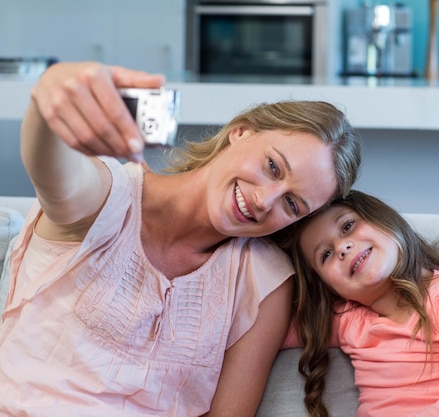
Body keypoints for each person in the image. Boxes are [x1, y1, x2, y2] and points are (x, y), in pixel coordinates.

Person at [0, 61, 361, 417]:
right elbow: (53, 175)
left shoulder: (264, 281)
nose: (264, 200)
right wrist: (49, 107)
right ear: (241, 132)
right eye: (272, 167)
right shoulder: (108, 197)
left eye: (292, 203)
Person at [278, 190, 439, 417]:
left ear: (382, 218)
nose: (342, 247)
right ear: (328, 288)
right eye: (325, 255)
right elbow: (258, 328)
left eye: (348, 226)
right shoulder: (349, 321)